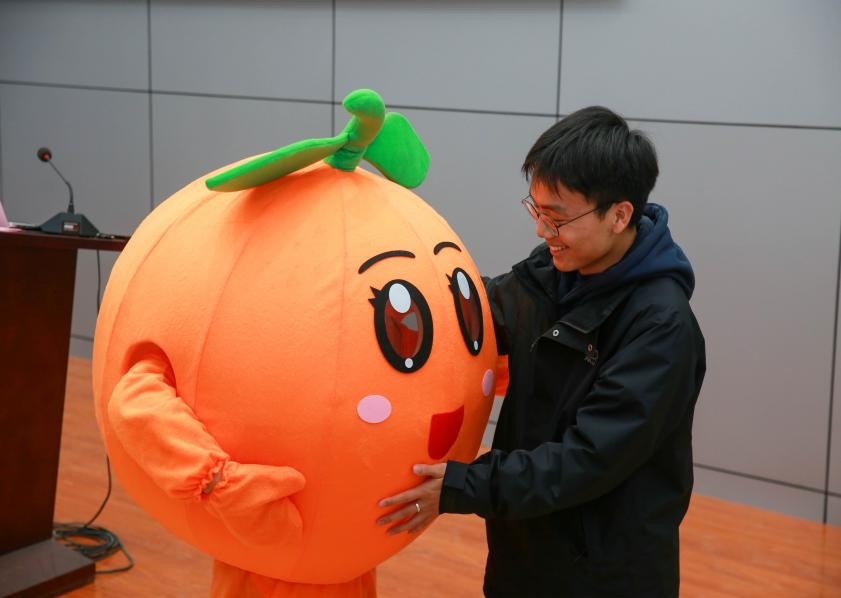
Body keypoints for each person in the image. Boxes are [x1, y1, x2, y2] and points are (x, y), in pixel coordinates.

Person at [377, 106, 706, 597]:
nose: (541, 232)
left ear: (619, 215)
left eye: (557, 218)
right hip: (524, 550)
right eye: (536, 211)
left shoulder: (660, 327)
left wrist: (461, 485)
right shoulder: (552, 273)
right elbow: (475, 314)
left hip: (604, 572)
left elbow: (586, 459)